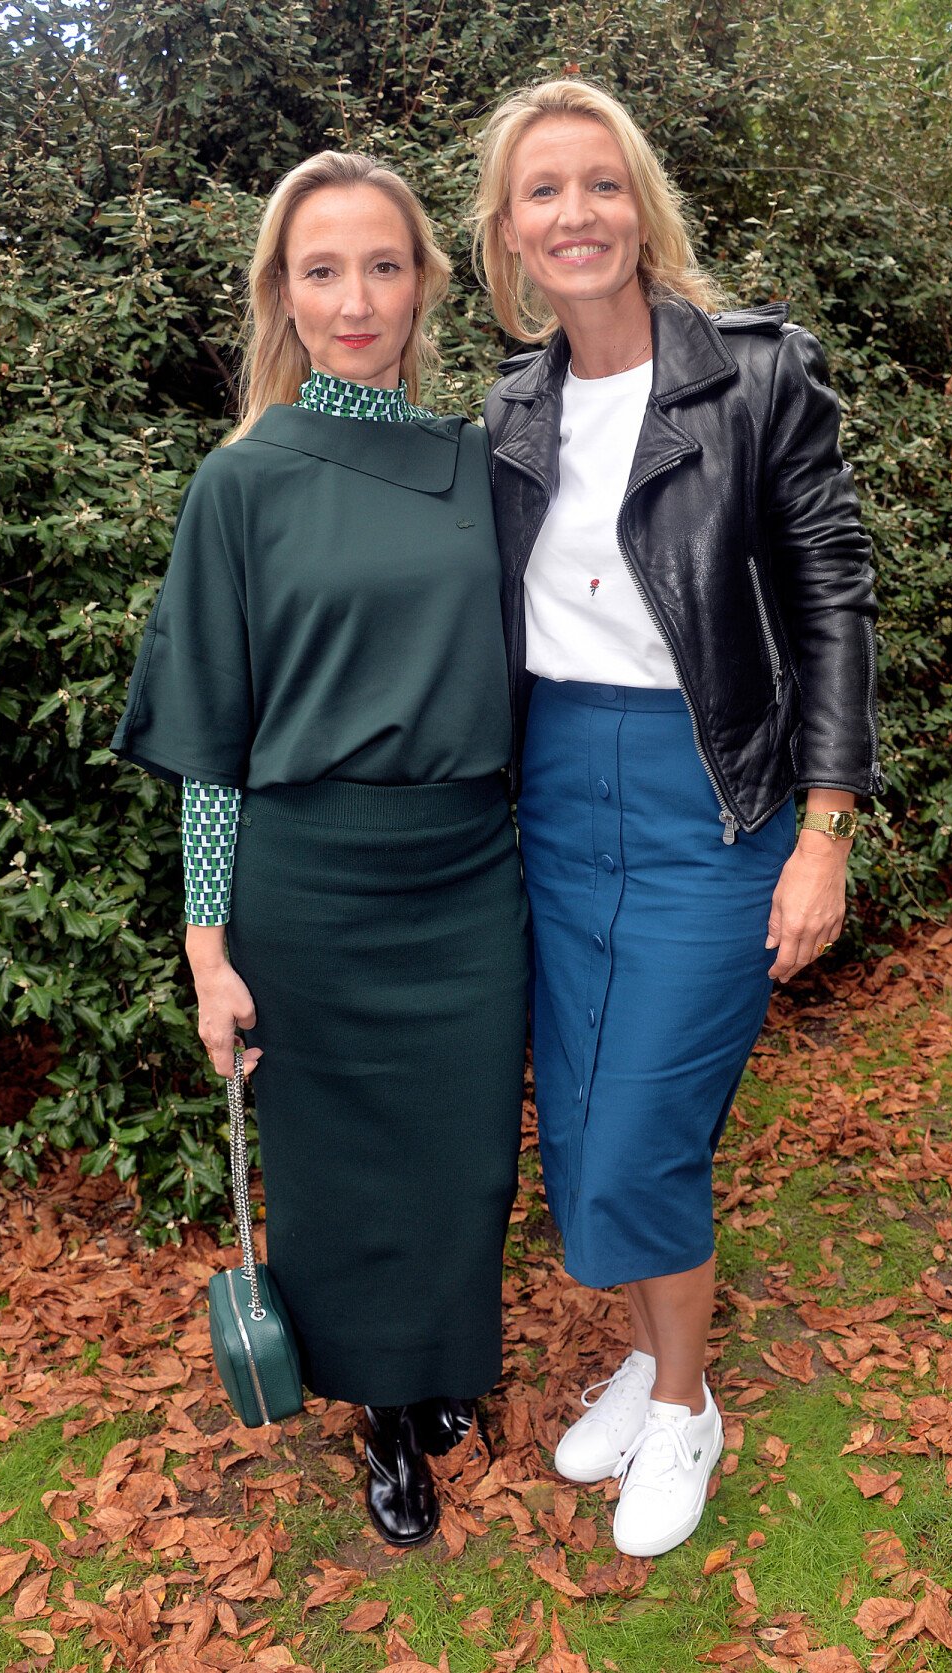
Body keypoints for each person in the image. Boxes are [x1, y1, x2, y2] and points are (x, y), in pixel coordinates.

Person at [473, 80, 881, 1557]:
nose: (573, 213)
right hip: (560, 794)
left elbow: (832, 593)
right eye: (541, 193)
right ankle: (650, 1354)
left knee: (642, 1127)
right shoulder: (512, 408)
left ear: (639, 203)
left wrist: (827, 827)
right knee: (579, 1127)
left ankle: (686, 1403)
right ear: (508, 234)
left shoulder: (761, 374)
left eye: (599, 183)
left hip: (719, 798)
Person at [112, 150, 528, 1548]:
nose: (357, 299)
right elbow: (211, 742)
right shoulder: (243, 484)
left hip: (472, 870)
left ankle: (445, 1361)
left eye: (384, 265)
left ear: (426, 284)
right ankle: (386, 1415)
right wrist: (206, 952)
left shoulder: (485, 459)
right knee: (344, 1170)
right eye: (323, 270)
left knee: (465, 1151)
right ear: (283, 295)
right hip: (316, 881)